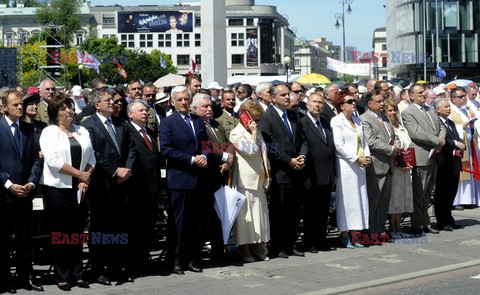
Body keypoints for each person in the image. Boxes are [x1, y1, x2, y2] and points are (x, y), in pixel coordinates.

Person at [81, 87, 137, 285]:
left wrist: (127, 169)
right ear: (97, 105)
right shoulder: (89, 125)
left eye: (113, 100)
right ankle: (99, 269)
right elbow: (93, 153)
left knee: (120, 227)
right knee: (101, 229)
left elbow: (131, 148)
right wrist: (115, 170)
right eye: (108, 100)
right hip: (102, 186)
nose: (112, 102)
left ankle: (117, 267)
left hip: (122, 185)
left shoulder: (122, 124)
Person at [39, 95, 95, 291]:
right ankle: (62, 275)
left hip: (79, 189)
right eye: (64, 109)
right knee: (60, 234)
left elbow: (92, 158)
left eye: (70, 108)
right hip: (57, 189)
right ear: (56, 112)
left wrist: (84, 179)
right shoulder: (49, 132)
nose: (69, 111)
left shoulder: (82, 131)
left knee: (77, 233)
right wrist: (80, 174)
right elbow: (53, 161)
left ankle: (77, 274)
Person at [160, 86, 209, 275]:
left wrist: (204, 155)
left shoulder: (197, 120)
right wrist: (190, 159)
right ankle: (176, 260)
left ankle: (192, 258)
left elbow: (205, 143)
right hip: (180, 180)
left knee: (196, 223)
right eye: (179, 99)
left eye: (186, 99)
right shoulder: (168, 122)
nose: (183, 102)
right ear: (172, 101)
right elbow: (166, 149)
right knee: (179, 223)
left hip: (198, 179)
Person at [258, 83, 308, 258]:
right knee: (280, 212)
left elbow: (303, 140)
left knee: (294, 211)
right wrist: (289, 161)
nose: (287, 97)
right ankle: (277, 246)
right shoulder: (267, 118)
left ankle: (290, 244)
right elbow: (268, 145)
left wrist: (302, 157)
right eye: (282, 95)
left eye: (288, 94)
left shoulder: (293, 115)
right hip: (280, 173)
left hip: (296, 171)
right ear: (272, 98)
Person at [0, 89, 43, 293]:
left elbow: (35, 159)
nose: (19, 107)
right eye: (15, 104)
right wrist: (8, 184)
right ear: (4, 108)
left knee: (25, 239)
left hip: (25, 193)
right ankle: (5, 280)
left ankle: (27, 277)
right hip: (4, 194)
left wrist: (31, 183)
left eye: (20, 104)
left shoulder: (28, 129)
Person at [192, 92, 234, 260]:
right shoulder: (196, 124)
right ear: (195, 108)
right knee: (204, 217)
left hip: (220, 175)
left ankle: (219, 251)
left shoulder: (216, 124)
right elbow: (204, 145)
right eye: (205, 106)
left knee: (219, 215)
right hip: (205, 176)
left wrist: (228, 160)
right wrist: (222, 156)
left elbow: (227, 143)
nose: (209, 109)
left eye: (210, 106)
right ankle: (200, 252)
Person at [229, 100, 271, 262]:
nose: (256, 123)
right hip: (244, 182)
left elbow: (264, 154)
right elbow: (250, 151)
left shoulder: (257, 131)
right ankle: (244, 248)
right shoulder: (236, 133)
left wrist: (268, 174)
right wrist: (253, 132)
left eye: (258, 120)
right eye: (254, 119)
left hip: (259, 179)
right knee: (245, 218)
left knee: (259, 217)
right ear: (244, 117)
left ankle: (258, 246)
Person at [401, 84, 446, 235]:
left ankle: (425, 221)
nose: (423, 95)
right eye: (419, 93)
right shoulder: (408, 112)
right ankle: (417, 224)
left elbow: (441, 126)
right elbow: (416, 133)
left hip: (434, 156)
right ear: (411, 96)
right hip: (421, 157)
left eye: (424, 93)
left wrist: (441, 141)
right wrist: (436, 141)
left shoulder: (430, 109)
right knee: (419, 193)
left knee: (428, 193)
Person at [330, 92, 371, 248]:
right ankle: (344, 233)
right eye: (349, 101)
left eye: (354, 101)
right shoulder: (337, 121)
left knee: (359, 198)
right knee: (347, 199)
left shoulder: (357, 120)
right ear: (342, 105)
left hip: (360, 165)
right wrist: (356, 158)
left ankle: (356, 232)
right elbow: (339, 145)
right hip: (346, 165)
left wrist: (367, 156)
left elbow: (364, 142)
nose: (354, 103)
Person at [126, 99, 161, 274]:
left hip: (151, 188)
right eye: (140, 110)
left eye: (146, 110)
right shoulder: (127, 131)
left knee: (148, 227)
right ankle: (133, 263)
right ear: (130, 114)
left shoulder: (151, 133)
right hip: (135, 189)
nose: (145, 113)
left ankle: (143, 260)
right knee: (135, 228)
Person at [300, 93, 336, 252]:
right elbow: (302, 147)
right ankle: (310, 241)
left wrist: (333, 172)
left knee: (323, 210)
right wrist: (305, 175)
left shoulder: (325, 122)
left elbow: (330, 148)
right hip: (311, 174)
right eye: (314, 102)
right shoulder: (302, 123)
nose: (318, 105)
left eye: (320, 102)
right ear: (307, 105)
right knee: (310, 211)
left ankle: (321, 239)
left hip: (326, 173)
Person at [360, 90, 397, 243]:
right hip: (376, 167)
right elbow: (371, 141)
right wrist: (391, 149)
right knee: (373, 202)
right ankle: (371, 232)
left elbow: (392, 137)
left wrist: (397, 147)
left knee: (383, 203)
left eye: (383, 101)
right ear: (369, 104)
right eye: (379, 101)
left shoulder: (385, 118)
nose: (382, 104)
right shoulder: (365, 119)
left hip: (388, 165)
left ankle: (381, 230)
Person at [434, 98, 466, 231]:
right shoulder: (436, 123)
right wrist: (454, 143)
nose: (448, 108)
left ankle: (449, 217)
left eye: (449, 106)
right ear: (437, 109)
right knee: (442, 192)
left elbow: (456, 137)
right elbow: (443, 140)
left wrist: (460, 143)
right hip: (443, 162)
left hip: (454, 162)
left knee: (451, 192)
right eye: (446, 106)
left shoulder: (450, 122)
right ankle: (441, 220)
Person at [383, 98, 413, 236]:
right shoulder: (386, 126)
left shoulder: (400, 125)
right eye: (389, 110)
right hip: (394, 166)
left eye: (394, 109)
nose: (393, 112)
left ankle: (399, 227)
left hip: (405, 166)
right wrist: (398, 162)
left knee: (402, 197)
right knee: (393, 198)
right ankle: (393, 227)